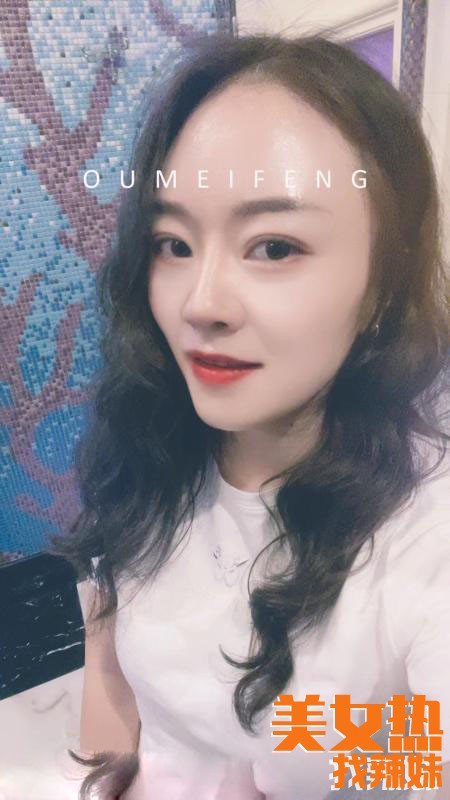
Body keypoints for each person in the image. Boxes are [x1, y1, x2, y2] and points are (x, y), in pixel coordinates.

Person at [50, 30, 450, 800]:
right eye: (173, 243)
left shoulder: (425, 541)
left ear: (382, 286)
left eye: (273, 247)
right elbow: (110, 642)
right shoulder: (151, 442)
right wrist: (115, 772)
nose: (200, 304)